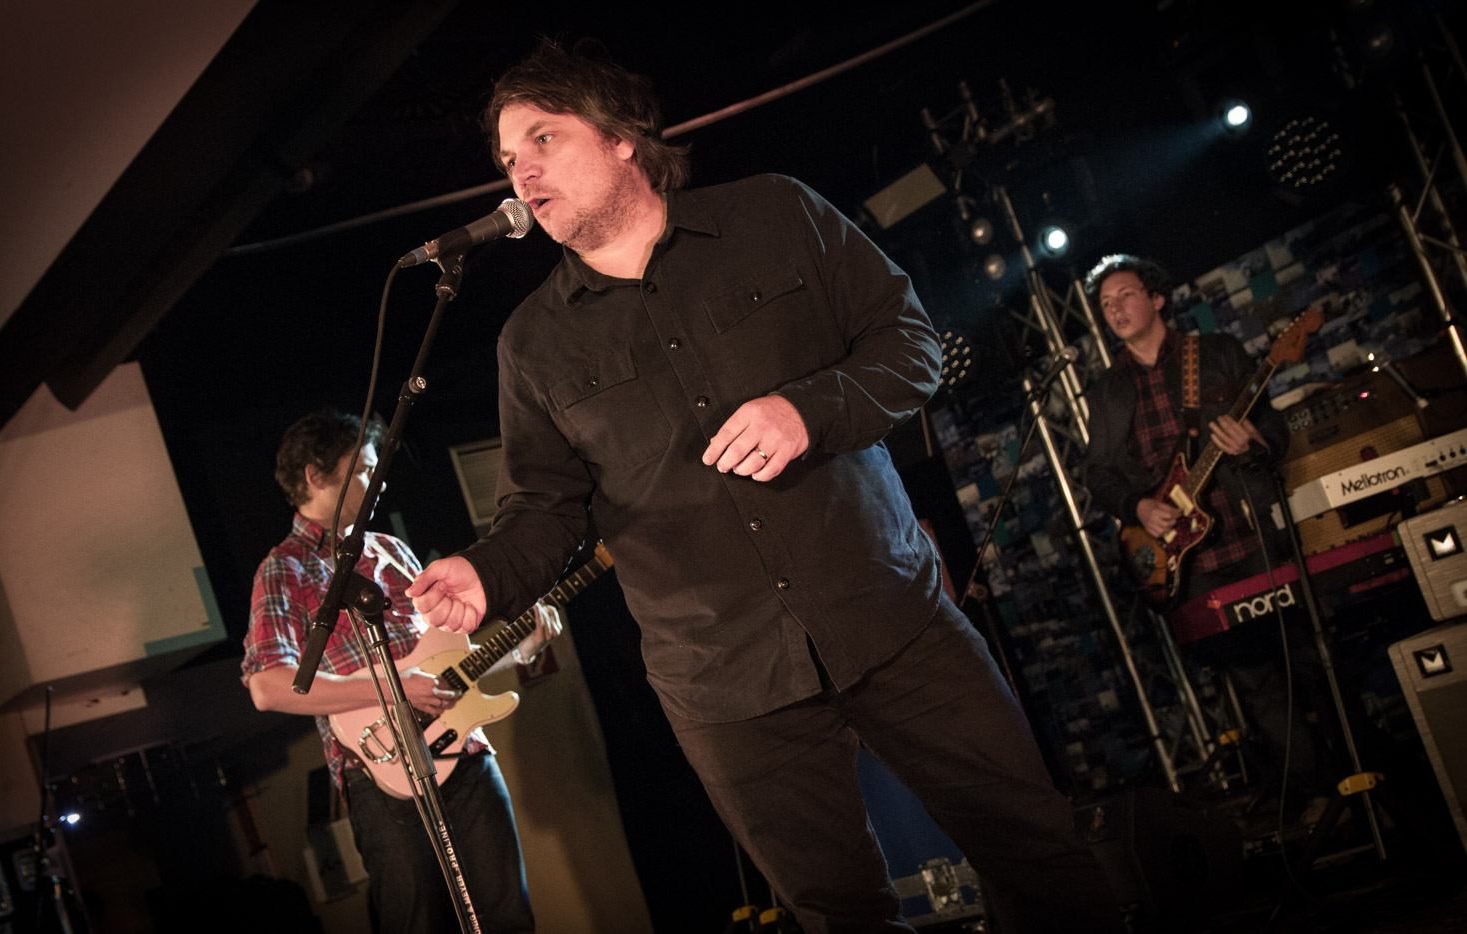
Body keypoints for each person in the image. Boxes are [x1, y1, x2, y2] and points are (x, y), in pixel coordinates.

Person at [405, 41, 1121, 933]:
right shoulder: (532, 345)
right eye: (510, 160)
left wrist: (808, 411)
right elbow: (543, 511)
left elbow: (911, 348)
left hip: (888, 614)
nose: (523, 174)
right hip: (721, 680)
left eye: (543, 140)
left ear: (623, 137)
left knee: (1037, 852)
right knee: (837, 913)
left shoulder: (777, 214)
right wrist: (485, 575)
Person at [241, 408, 556, 934]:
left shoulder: (389, 549)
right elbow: (269, 688)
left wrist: (517, 647)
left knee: (509, 916)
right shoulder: (284, 569)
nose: (379, 479)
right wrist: (394, 688)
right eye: (365, 468)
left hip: (466, 754)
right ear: (316, 478)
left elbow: (441, 668)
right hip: (379, 773)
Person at [1081, 254, 1330, 817]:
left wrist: (1253, 441)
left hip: (1252, 532)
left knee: (1312, 661)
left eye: (1124, 295)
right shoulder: (1107, 391)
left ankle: (1370, 779)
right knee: (1255, 680)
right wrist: (1138, 506)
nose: (1115, 309)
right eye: (1105, 305)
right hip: (1187, 560)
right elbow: (1097, 474)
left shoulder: (1214, 352)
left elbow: (1273, 426)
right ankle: (1316, 793)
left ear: (1157, 298)